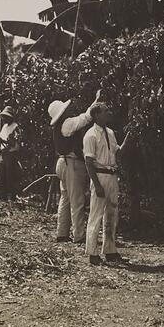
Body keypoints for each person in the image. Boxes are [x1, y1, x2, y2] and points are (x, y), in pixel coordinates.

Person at [49, 90, 101, 244]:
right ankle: (79, 235)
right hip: (70, 163)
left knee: (65, 199)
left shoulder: (58, 126)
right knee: (77, 199)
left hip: (62, 163)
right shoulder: (66, 123)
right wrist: (95, 102)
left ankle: (62, 233)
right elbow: (84, 119)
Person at [83, 102, 129, 265]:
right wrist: (96, 185)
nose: (108, 113)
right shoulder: (90, 135)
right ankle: (92, 253)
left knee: (112, 214)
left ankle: (110, 250)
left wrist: (130, 136)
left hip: (111, 176)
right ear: (96, 115)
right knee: (96, 215)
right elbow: (88, 162)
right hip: (100, 176)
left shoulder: (110, 133)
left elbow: (118, 152)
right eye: (105, 111)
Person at [0, 106, 22, 201]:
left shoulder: (15, 127)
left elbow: (16, 144)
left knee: (10, 177)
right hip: (3, 154)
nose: (4, 119)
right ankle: (3, 198)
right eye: (3, 117)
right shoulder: (4, 127)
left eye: (6, 117)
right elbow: (1, 140)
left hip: (11, 155)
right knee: (1, 177)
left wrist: (7, 148)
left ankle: (12, 198)